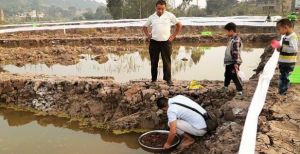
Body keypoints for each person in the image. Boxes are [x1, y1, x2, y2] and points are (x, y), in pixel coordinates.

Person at [143, 0, 182, 85]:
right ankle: (153, 80)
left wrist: (173, 36)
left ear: (165, 8)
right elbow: (145, 27)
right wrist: (148, 35)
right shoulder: (152, 17)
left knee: (167, 61)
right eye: (158, 9)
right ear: (155, 8)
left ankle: (168, 80)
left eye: (162, 9)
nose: (160, 11)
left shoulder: (169, 15)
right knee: (154, 61)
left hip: (166, 42)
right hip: (154, 42)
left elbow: (179, 25)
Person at [275, 19, 298, 95]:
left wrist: (282, 48)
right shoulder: (286, 36)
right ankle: (281, 90)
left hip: (288, 62)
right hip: (284, 61)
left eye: (279, 29)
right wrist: (280, 49)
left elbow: (293, 49)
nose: (278, 31)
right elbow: (286, 48)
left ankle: (283, 92)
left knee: (285, 77)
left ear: (286, 27)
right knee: (283, 76)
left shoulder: (293, 37)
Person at [223, 22, 243, 97]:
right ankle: (225, 86)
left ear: (231, 31)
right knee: (227, 74)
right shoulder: (232, 39)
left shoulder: (236, 40)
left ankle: (240, 90)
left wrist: (235, 63)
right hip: (229, 62)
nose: (226, 33)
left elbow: (236, 52)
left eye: (226, 31)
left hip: (234, 62)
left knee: (235, 76)